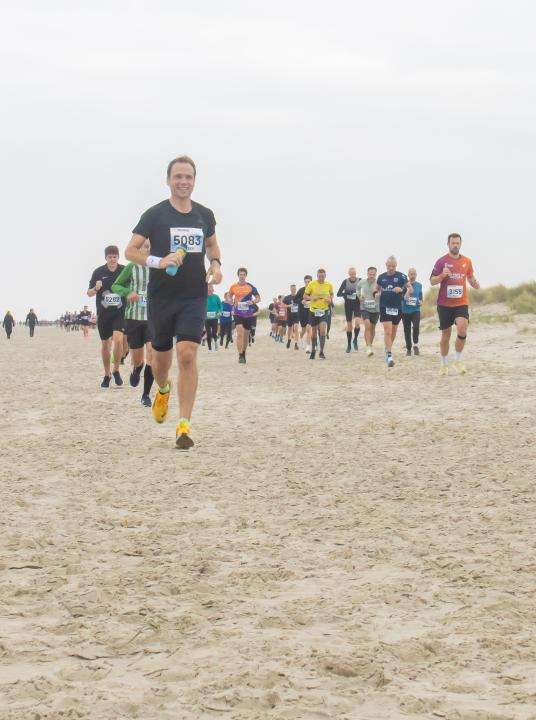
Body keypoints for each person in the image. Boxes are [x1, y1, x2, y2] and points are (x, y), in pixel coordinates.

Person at [125, 155, 222, 449]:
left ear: (195, 180)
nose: (183, 182)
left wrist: (216, 266)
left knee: (188, 355)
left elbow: (212, 246)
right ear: (168, 180)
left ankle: (184, 426)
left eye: (188, 177)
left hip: (194, 295)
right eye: (178, 177)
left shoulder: (204, 215)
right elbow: (131, 251)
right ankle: (163, 389)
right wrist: (158, 260)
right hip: (162, 299)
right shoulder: (155, 215)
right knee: (160, 362)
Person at [111, 242, 154, 406]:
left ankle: (146, 395)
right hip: (133, 318)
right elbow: (116, 285)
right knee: (137, 358)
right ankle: (137, 369)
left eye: (151, 246)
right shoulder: (131, 267)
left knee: (151, 353)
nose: (148, 248)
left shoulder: (158, 266)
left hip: (152, 318)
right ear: (138, 249)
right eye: (145, 246)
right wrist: (128, 292)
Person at [431, 233, 480, 375]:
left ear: (460, 244)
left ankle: (457, 360)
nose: (455, 245)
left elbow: (470, 278)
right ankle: (444, 364)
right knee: (446, 334)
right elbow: (432, 281)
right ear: (448, 244)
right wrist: (442, 275)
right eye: (453, 243)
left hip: (461, 302)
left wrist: (475, 284)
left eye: (457, 243)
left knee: (463, 329)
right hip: (444, 304)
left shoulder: (467, 261)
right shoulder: (441, 261)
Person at [87, 246, 126, 387]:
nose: (112, 259)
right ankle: (107, 374)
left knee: (118, 339)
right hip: (104, 314)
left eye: (115, 256)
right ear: (106, 258)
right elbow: (89, 293)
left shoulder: (124, 270)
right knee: (105, 344)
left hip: (120, 312)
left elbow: (133, 286)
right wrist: (96, 288)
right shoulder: (98, 272)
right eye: (110, 257)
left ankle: (116, 370)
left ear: (118, 257)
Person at [377, 256, 412, 367]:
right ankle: (389, 354)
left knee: (393, 332)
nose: (391, 268)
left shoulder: (401, 276)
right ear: (386, 265)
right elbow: (377, 289)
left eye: (393, 266)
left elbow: (410, 288)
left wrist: (403, 290)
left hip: (397, 307)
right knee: (388, 331)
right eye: (389, 266)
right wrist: (376, 294)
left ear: (396, 266)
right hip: (384, 307)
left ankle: (387, 348)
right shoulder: (381, 277)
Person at [228, 268, 260, 364]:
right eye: (240, 274)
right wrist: (230, 301)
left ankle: (244, 353)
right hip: (238, 313)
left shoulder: (250, 287)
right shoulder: (233, 286)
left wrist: (253, 301)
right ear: (238, 275)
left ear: (246, 276)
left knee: (246, 335)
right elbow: (229, 296)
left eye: (243, 274)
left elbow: (258, 298)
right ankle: (240, 355)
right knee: (240, 333)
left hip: (248, 314)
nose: (242, 276)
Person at [304, 269, 334, 360]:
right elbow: (305, 296)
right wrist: (312, 298)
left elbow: (332, 294)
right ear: (317, 276)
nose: (321, 278)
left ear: (325, 276)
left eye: (322, 276)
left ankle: (321, 351)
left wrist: (330, 299)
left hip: (324, 310)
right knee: (313, 332)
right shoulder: (312, 284)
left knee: (322, 331)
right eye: (319, 276)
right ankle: (313, 351)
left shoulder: (329, 284)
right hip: (313, 311)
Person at [337, 268, 361, 353]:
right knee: (349, 326)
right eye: (351, 274)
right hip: (348, 305)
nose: (353, 276)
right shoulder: (345, 282)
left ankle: (355, 339)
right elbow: (338, 293)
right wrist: (347, 294)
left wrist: (360, 295)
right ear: (349, 274)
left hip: (357, 304)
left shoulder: (360, 280)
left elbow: (364, 290)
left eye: (354, 274)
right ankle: (349, 345)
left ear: (356, 273)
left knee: (357, 323)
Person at [357, 267, 380, 356]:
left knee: (372, 328)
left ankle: (370, 344)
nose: (372, 276)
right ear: (367, 274)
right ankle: (368, 348)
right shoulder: (362, 282)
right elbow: (357, 288)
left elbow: (382, 292)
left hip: (375, 308)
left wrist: (379, 295)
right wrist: (359, 296)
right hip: (364, 307)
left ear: (376, 274)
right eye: (370, 274)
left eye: (373, 274)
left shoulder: (379, 283)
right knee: (367, 326)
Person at [401, 268, 423, 356]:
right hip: (405, 311)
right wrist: (408, 291)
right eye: (411, 274)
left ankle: (415, 343)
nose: (413, 276)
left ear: (416, 275)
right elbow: (402, 298)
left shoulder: (419, 285)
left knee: (416, 326)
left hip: (416, 310)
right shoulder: (404, 285)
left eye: (414, 274)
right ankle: (409, 348)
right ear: (408, 275)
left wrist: (421, 301)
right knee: (407, 330)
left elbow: (420, 296)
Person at [295, 275, 313, 352]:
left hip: (311, 312)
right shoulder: (301, 290)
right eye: (306, 282)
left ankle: (308, 347)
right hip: (302, 313)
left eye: (309, 282)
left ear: (311, 282)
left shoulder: (314, 290)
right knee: (303, 330)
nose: (307, 283)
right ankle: (301, 339)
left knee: (309, 329)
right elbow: (295, 300)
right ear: (304, 282)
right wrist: (301, 301)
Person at [205, 284, 222, 351]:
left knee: (214, 333)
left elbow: (220, 306)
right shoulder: (204, 297)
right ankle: (210, 349)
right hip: (206, 318)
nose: (209, 289)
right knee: (208, 334)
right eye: (208, 287)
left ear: (213, 289)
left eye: (211, 287)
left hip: (215, 318)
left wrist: (219, 312)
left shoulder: (216, 297)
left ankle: (215, 341)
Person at [283, 284, 300, 349]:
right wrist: (289, 306)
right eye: (292, 289)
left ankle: (296, 343)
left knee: (296, 328)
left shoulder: (298, 297)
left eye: (294, 289)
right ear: (290, 289)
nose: (293, 290)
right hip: (290, 316)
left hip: (297, 315)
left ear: (296, 289)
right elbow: (284, 305)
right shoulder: (287, 298)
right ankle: (289, 340)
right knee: (290, 329)